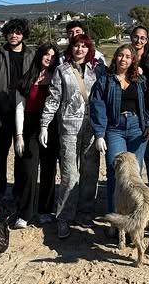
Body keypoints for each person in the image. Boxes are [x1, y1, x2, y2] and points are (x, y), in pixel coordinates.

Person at [40, 33, 105, 239]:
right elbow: (53, 98)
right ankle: (64, 217)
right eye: (77, 46)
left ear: (89, 49)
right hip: (68, 126)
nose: (80, 50)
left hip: (92, 127)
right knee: (69, 174)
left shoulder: (98, 70)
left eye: (84, 46)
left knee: (90, 172)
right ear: (71, 48)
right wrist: (44, 124)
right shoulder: (62, 70)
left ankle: (84, 212)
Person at [90, 43, 149, 227]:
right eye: (120, 55)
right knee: (115, 173)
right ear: (115, 57)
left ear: (133, 60)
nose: (123, 59)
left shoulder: (140, 80)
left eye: (127, 56)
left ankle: (135, 218)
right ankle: (116, 221)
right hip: (114, 129)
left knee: (134, 177)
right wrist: (99, 134)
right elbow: (97, 106)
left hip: (137, 129)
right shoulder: (105, 80)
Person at [12, 43, 60, 229]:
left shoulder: (57, 78)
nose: (49, 58)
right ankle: (25, 213)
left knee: (49, 169)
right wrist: (19, 135)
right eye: (46, 54)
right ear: (39, 55)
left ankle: (45, 210)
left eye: (52, 55)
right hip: (30, 127)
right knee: (29, 170)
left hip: (51, 127)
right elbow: (19, 109)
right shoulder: (26, 80)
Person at [0, 18, 34, 198]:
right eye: (11, 32)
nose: (14, 36)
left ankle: (18, 190)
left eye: (18, 32)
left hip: (23, 110)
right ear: (6, 33)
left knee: (21, 152)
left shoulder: (31, 54)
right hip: (2, 110)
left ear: (23, 35)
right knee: (0, 153)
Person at [130, 24, 149, 193]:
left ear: (146, 40)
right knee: (134, 157)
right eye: (136, 36)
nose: (139, 40)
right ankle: (136, 192)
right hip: (131, 110)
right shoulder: (126, 54)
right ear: (131, 37)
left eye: (142, 37)